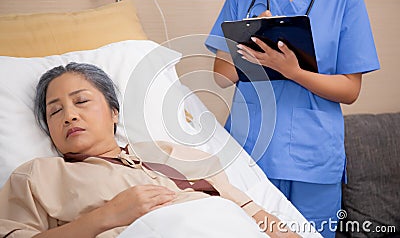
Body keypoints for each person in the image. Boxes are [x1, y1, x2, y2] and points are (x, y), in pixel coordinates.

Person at [0, 63, 300, 238]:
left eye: (81, 101)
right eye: (55, 111)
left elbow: (250, 211)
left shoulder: (170, 153)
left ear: (114, 112)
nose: (69, 115)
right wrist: (105, 217)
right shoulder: (38, 176)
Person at [205, 0, 380, 237]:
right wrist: (249, 41)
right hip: (251, 152)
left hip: (314, 158)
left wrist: (293, 71)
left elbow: (350, 89)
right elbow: (221, 76)